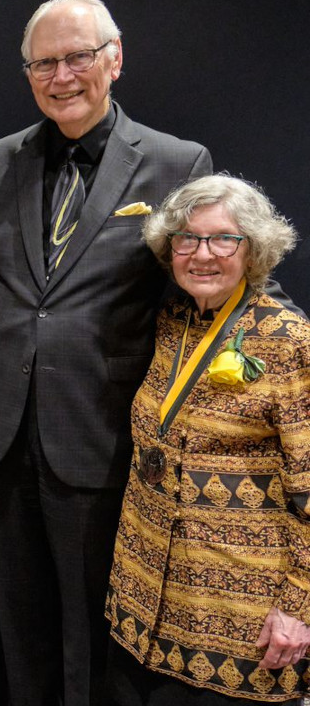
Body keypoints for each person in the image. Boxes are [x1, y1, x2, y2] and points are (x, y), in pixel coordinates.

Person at [0, 0, 214, 706]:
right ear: (27, 73)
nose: (62, 76)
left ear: (114, 60)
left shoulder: (177, 164)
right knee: (17, 621)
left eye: (78, 58)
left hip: (105, 433)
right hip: (0, 435)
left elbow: (192, 311)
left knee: (98, 628)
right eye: (44, 64)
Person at [105, 175, 310, 704]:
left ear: (254, 248)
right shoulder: (174, 318)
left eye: (224, 239)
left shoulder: (290, 340)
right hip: (147, 591)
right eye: (187, 239)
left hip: (240, 616)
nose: (203, 254)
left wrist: (298, 608)